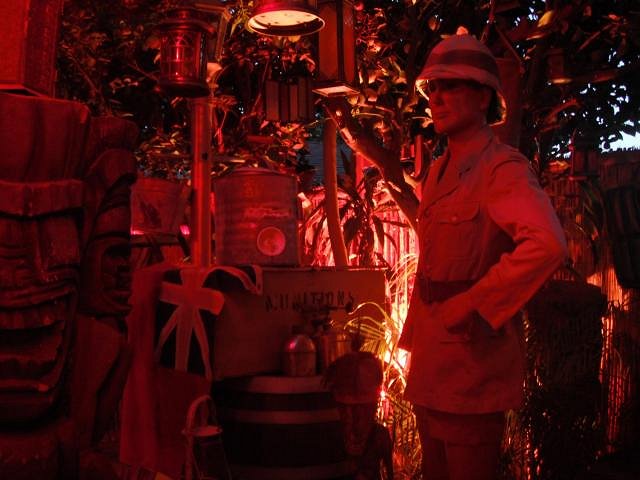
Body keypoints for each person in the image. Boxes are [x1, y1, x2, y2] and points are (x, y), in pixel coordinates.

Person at [398, 33, 568, 480]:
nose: (436, 97)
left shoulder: (501, 169)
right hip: (432, 355)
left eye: (451, 85)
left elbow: (547, 244)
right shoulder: (438, 171)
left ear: (482, 96)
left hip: (471, 360)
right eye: (433, 88)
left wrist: (475, 303)